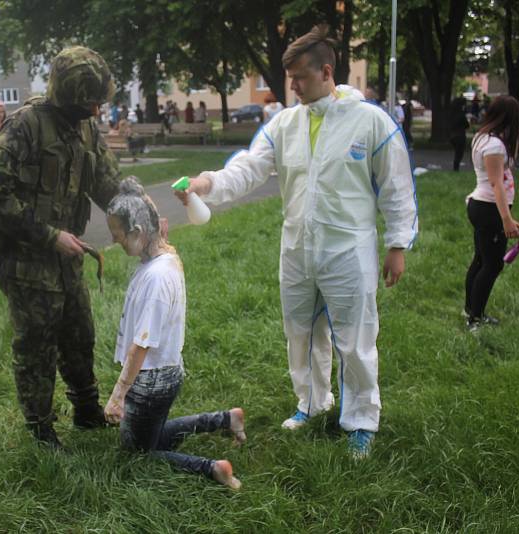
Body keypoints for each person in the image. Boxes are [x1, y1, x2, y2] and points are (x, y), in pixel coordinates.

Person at [174, 25, 417, 459]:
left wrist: (397, 244)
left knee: (354, 338)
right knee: (300, 333)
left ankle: (361, 419)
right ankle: (311, 402)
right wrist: (205, 182)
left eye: (299, 78)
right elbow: (247, 168)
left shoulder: (370, 122)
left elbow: (396, 185)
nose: (291, 86)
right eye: (290, 79)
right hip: (298, 250)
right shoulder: (285, 124)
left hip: (349, 251)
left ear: (326, 72)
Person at [0, 46, 123, 448]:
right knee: (37, 346)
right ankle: (41, 429)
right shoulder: (23, 127)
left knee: (80, 335)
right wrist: (49, 236)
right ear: (69, 98)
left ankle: (87, 411)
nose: (97, 111)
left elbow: (109, 183)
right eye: (90, 103)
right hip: (28, 262)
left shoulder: (87, 129)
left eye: (100, 102)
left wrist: (140, 212)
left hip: (67, 259)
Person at [104, 177, 245, 489]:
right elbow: (154, 224)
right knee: (151, 435)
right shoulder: (162, 255)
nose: (115, 241)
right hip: (163, 375)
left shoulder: (156, 279)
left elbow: (141, 345)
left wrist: (118, 397)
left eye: (118, 235)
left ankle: (213, 469)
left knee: (137, 453)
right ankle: (227, 419)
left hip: (151, 379)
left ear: (138, 232)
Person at [464, 96, 519, 333]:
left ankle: (471, 310)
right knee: (492, 265)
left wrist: (516, 137)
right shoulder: (494, 146)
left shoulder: (484, 138)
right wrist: (506, 219)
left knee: (481, 260)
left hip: (484, 206)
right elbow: (497, 184)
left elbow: (507, 167)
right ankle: (475, 319)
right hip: (489, 209)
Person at [449, 97, 469, 171]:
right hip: (460, 135)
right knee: (459, 153)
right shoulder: (461, 115)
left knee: (457, 152)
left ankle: (455, 168)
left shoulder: (451, 114)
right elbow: (467, 125)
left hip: (452, 135)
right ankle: (456, 169)